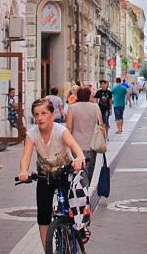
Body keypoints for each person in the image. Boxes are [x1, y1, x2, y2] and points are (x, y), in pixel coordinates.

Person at [18, 98, 87, 248]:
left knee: (76, 201)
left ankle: (80, 227)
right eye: (36, 115)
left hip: (65, 171)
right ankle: (47, 249)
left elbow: (74, 146)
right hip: (45, 174)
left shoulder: (60, 131)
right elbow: (25, 157)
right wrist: (23, 171)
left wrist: (80, 157)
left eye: (44, 113)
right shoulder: (32, 135)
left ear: (52, 114)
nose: (40, 118)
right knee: (43, 215)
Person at [66, 86, 103, 184]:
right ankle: (86, 191)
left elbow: (68, 127)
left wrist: (65, 144)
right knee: (89, 171)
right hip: (92, 145)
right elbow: (101, 124)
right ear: (88, 96)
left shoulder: (72, 108)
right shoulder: (95, 106)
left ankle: (81, 193)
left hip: (76, 145)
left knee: (78, 171)